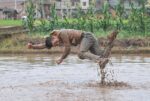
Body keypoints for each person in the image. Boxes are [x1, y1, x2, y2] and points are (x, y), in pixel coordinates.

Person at [27, 29, 118, 64]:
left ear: (53, 37)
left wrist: (61, 58)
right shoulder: (57, 39)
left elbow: (68, 48)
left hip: (86, 37)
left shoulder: (62, 34)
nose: (57, 44)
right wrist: (33, 47)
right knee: (103, 55)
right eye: (55, 45)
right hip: (87, 38)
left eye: (55, 42)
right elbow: (44, 45)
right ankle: (110, 42)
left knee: (80, 53)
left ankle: (100, 60)